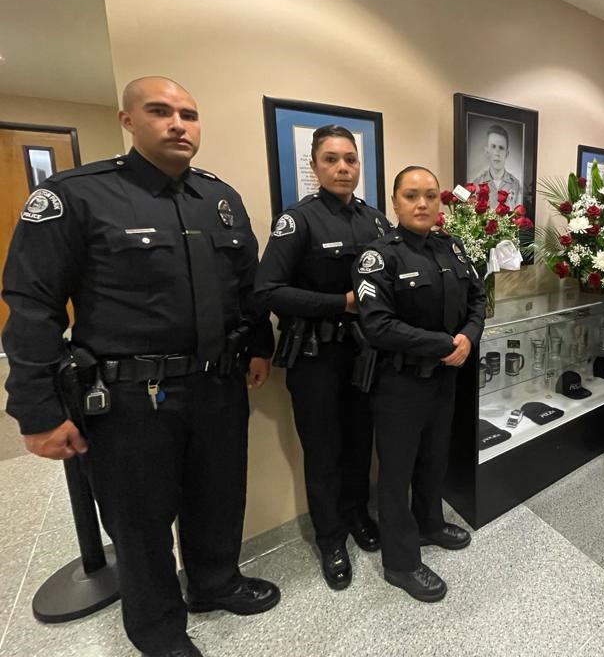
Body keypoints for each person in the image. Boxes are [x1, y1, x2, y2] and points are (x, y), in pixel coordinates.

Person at [1, 76, 279, 657]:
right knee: (141, 522)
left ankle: (215, 582)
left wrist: (258, 345)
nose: (178, 124)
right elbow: (32, 306)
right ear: (127, 120)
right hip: (131, 399)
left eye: (189, 114)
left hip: (218, 384)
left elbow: (245, 285)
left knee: (219, 496)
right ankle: (159, 633)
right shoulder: (77, 196)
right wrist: (38, 411)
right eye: (160, 111)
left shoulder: (219, 198)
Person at [253, 124, 390, 591]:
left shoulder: (376, 222)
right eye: (331, 159)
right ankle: (330, 539)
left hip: (364, 352)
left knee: (360, 442)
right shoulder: (298, 221)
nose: (342, 167)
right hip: (316, 356)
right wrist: (340, 303)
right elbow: (266, 291)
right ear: (314, 166)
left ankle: (357, 516)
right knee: (324, 450)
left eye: (350, 159)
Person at [352, 166, 485, 602]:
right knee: (396, 475)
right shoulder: (379, 257)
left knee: (433, 460)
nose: (423, 203)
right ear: (395, 201)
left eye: (430, 195)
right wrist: (445, 344)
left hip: (444, 379)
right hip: (399, 384)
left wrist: (469, 337)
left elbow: (478, 300)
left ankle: (429, 524)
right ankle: (401, 561)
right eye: (411, 195)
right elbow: (377, 325)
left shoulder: (452, 247)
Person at [470, 123, 522, 209]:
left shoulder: (515, 184)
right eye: (493, 146)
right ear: (487, 150)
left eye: (501, 148)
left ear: (507, 153)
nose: (497, 153)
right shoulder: (477, 183)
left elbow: (519, 213)